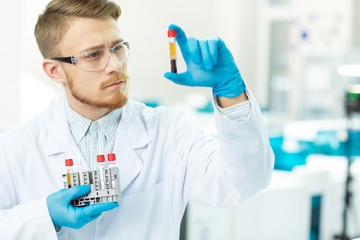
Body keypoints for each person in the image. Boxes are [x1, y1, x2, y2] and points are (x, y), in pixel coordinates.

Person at [0, 0, 274, 239]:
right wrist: (42, 216)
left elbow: (241, 182)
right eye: (94, 55)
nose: (116, 65)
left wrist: (231, 91)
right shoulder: (13, 149)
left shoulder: (169, 131)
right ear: (55, 70)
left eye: (118, 48)